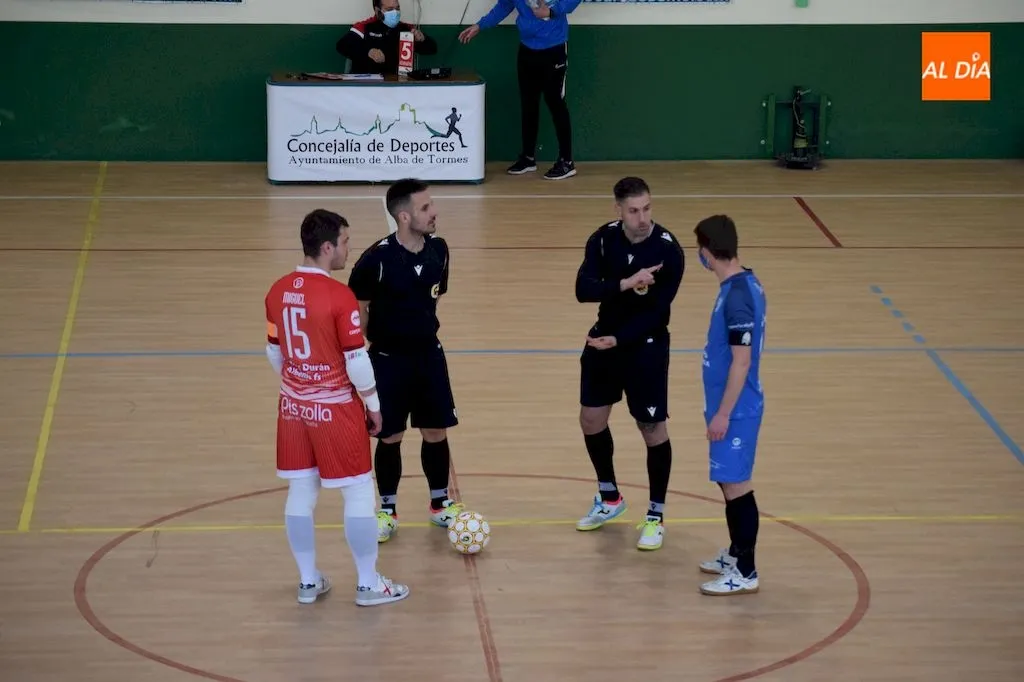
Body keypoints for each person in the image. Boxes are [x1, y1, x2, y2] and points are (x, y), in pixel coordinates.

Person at [264, 208, 410, 607]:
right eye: (345, 241)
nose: (349, 248)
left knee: (301, 489)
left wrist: (299, 385)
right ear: (327, 247)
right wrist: (374, 404)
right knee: (359, 492)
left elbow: (274, 352)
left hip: (292, 410)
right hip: (335, 410)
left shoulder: (277, 290)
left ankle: (308, 581)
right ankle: (367, 584)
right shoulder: (337, 295)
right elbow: (356, 360)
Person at [347, 178, 464, 543]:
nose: (434, 213)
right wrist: (372, 345)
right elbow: (358, 310)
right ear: (403, 215)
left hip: (429, 355)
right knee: (390, 435)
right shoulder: (374, 260)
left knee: (435, 431)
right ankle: (387, 509)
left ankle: (440, 503)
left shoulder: (439, 250)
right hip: (387, 360)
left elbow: (434, 297)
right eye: (426, 208)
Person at [573, 176, 685, 551]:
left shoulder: (669, 251)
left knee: (651, 427)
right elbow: (583, 290)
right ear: (618, 209)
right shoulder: (602, 239)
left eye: (647, 208)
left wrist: (619, 339)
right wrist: (624, 282)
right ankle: (609, 498)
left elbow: (656, 313)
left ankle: (655, 515)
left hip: (645, 345)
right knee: (591, 419)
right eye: (634, 210)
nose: (642, 218)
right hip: (604, 338)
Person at [692, 214, 766, 596]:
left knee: (737, 486)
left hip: (735, 410)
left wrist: (723, 413)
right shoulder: (739, 284)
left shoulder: (737, 297)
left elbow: (742, 361)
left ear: (707, 251)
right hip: (725, 405)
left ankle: (747, 571)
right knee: (727, 480)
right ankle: (736, 554)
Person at [458, 0, 581, 180]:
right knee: (528, 103)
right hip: (527, 49)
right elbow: (504, 5)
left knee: (555, 103)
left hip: (554, 47)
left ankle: (566, 162)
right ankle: (528, 158)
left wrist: (552, 11)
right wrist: (480, 25)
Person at [336, 0, 438, 75]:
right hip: (366, 84)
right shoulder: (364, 26)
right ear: (377, 11)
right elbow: (342, 45)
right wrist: (368, 51)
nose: (395, 12)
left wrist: (423, 39)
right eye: (389, 9)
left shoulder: (406, 28)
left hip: (397, 84)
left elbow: (432, 49)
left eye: (397, 8)